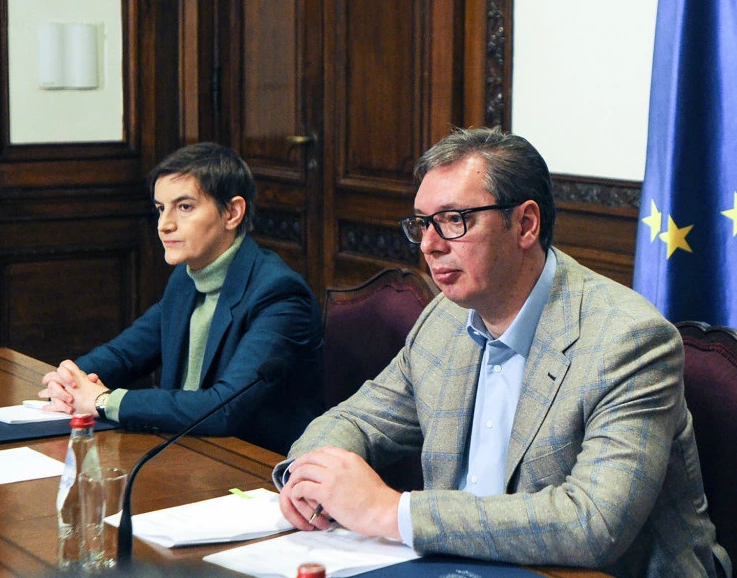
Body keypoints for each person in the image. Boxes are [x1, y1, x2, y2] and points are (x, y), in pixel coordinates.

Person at [276, 128, 730, 578]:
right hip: (459, 566)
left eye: (454, 220)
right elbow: (356, 419)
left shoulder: (628, 340)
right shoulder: (444, 319)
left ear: (525, 225)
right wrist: (309, 478)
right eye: (422, 223)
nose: (430, 244)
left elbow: (592, 523)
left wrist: (392, 512)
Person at [38, 142, 323, 454]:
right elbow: (124, 355)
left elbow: (223, 408)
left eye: (184, 207)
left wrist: (104, 400)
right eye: (161, 208)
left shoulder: (279, 294)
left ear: (232, 213)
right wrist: (71, 381)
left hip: (252, 465)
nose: (164, 225)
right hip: (185, 451)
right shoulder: (187, 279)